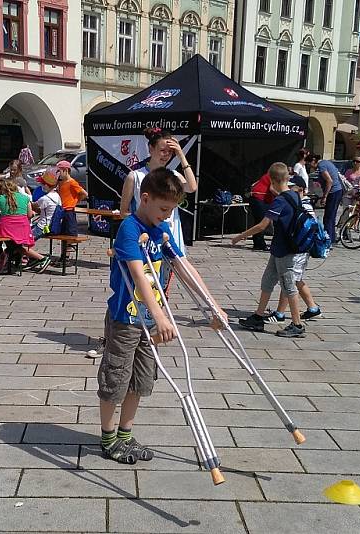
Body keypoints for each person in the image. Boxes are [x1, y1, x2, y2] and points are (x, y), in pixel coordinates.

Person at [98, 167, 226, 464]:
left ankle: (125, 434)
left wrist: (212, 305)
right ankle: (108, 439)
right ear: (145, 198)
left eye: (172, 211)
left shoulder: (161, 231)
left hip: (149, 322)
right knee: (116, 380)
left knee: (141, 380)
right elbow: (138, 277)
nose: (167, 216)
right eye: (164, 209)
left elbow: (183, 266)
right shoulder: (128, 229)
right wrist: (161, 316)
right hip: (125, 320)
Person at [231, 162, 306, 338]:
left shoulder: (280, 200)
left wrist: (241, 236)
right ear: (287, 178)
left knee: (289, 286)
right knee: (268, 280)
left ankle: (297, 325)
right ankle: (258, 316)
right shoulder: (295, 195)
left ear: (272, 180)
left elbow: (263, 225)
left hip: (285, 249)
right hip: (280, 248)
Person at [119, 128, 197, 254]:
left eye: (170, 152)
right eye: (162, 150)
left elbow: (192, 187)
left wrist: (181, 155)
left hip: (171, 237)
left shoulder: (174, 175)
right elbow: (124, 212)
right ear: (151, 149)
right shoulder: (135, 176)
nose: (166, 155)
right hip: (147, 238)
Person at [270, 175, 322, 322]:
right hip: (301, 249)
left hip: (299, 250)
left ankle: (280, 313)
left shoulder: (303, 205)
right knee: (296, 280)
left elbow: (310, 227)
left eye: (291, 187)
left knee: (289, 281)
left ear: (300, 190)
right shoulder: (298, 202)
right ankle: (313, 308)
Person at [0, 178, 50, 274]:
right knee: (15, 246)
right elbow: (29, 215)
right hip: (23, 228)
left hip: (7, 228)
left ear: (3, 189)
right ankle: (9, 263)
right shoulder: (25, 198)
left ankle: (41, 258)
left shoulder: (0, 199)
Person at [309, 155, 343, 245]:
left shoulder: (321, 165)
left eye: (310, 163)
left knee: (328, 218)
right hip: (338, 191)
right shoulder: (326, 162)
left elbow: (329, 181)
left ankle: (328, 240)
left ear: (313, 160)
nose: (310, 166)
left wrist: (325, 196)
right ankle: (332, 238)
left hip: (333, 192)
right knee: (331, 216)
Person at [245, 170, 276, 251]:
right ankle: (260, 244)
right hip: (258, 199)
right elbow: (272, 189)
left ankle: (257, 243)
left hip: (257, 199)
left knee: (258, 221)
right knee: (262, 222)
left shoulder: (268, 175)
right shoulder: (273, 176)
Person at [56, 159, 87, 236]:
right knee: (62, 232)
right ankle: (64, 248)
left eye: (59, 171)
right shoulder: (60, 182)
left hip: (69, 211)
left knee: (71, 232)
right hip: (61, 210)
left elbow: (84, 194)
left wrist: (76, 201)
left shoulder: (72, 182)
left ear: (66, 171)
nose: (58, 173)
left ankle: (70, 247)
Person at [31, 169, 61, 241]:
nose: (41, 186)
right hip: (52, 226)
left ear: (47, 185)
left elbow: (33, 206)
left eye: (42, 184)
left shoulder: (45, 198)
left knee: (24, 240)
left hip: (43, 227)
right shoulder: (57, 196)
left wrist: (26, 200)